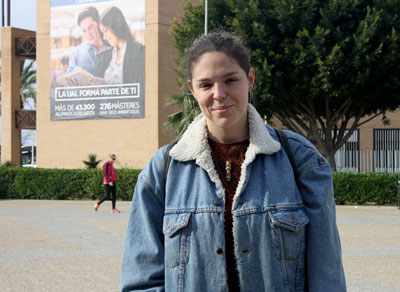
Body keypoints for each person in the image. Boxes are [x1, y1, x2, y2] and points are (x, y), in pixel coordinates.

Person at [120, 31, 346, 291]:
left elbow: (326, 275)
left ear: (249, 79)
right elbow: (141, 280)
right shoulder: (162, 170)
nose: (219, 94)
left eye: (230, 80)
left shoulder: (301, 160)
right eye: (206, 85)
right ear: (192, 89)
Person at [99, 6, 145, 85]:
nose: (104, 37)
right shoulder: (105, 55)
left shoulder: (139, 51)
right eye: (102, 33)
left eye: (105, 31)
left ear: (116, 26)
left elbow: (141, 88)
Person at [68, 6, 112, 78]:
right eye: (84, 31)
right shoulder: (77, 54)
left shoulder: (113, 48)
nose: (88, 34)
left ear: (99, 24)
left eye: (91, 27)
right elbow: (68, 85)